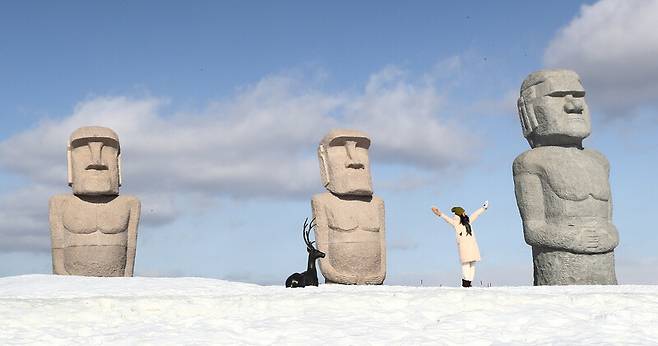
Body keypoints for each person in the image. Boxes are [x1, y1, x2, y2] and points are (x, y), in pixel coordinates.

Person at [431, 201, 488, 287]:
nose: (465, 214)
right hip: (464, 247)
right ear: (460, 214)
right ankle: (466, 283)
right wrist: (439, 213)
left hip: (472, 246)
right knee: (465, 265)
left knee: (472, 265)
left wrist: (483, 208)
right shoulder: (456, 223)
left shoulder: (468, 221)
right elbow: (447, 219)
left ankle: (469, 283)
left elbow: (476, 214)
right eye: (463, 212)